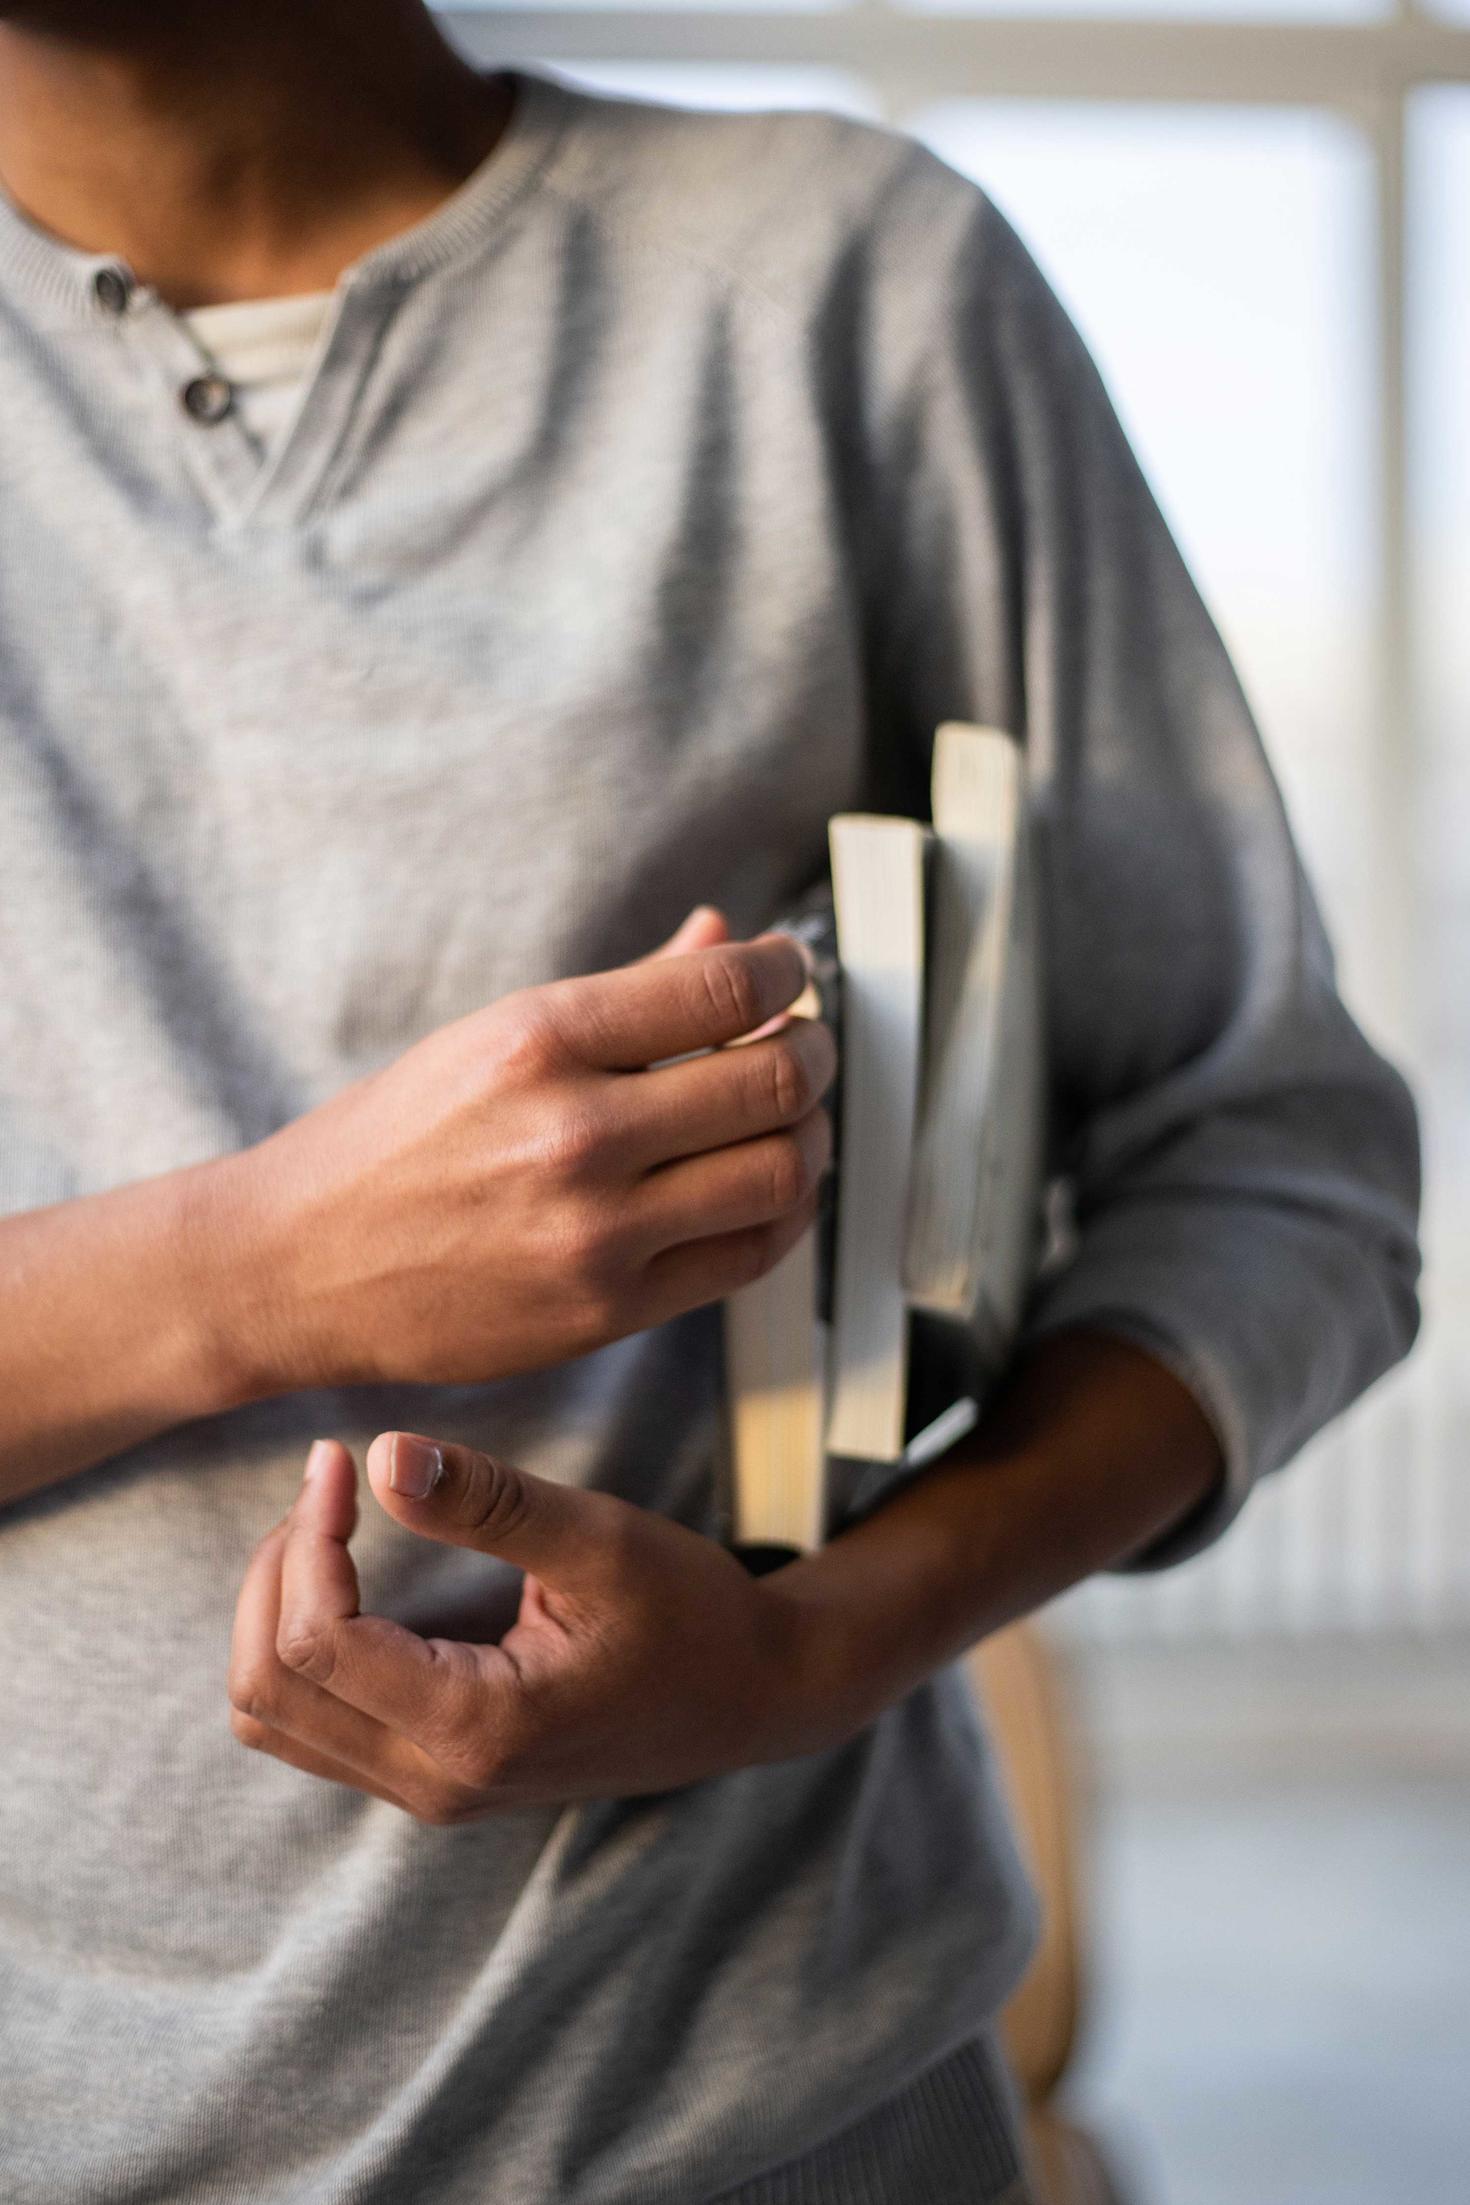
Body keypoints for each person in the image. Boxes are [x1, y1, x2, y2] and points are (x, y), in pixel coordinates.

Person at [0, 4, 1421, 2201]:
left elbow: (1276, 1161)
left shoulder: (846, 283)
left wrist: (808, 1646)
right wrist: (249, 1267)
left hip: (772, 2112)